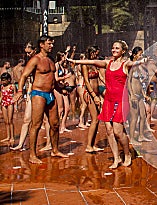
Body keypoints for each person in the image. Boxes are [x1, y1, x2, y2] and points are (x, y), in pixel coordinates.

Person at [68, 40, 147, 169]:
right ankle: (116, 159)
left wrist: (141, 61)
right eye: (113, 48)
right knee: (109, 131)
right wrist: (76, 61)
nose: (114, 50)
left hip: (121, 100)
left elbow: (134, 63)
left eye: (117, 48)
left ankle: (127, 154)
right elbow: (91, 62)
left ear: (123, 51)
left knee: (117, 131)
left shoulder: (125, 64)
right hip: (108, 100)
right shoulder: (107, 63)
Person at [13, 35, 68, 164]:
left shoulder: (50, 60)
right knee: (36, 125)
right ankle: (32, 154)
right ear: (41, 45)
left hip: (50, 94)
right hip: (38, 94)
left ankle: (55, 150)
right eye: (49, 43)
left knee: (55, 124)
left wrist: (61, 88)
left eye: (52, 43)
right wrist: (20, 91)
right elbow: (24, 76)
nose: (52, 46)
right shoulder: (35, 60)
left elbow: (52, 80)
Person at [81, 46, 105, 152]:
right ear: (92, 52)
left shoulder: (94, 64)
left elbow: (101, 77)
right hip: (89, 94)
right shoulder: (85, 64)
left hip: (96, 93)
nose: (97, 55)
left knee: (97, 119)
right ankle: (89, 146)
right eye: (96, 53)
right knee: (95, 119)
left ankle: (92, 144)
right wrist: (94, 96)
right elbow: (86, 81)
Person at [0, 73, 15, 145]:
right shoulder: (2, 87)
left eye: (4, 80)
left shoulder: (12, 86)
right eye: (2, 80)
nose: (3, 82)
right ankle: (8, 136)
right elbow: (1, 96)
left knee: (10, 120)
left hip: (10, 103)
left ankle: (12, 137)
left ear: (9, 80)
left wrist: (16, 106)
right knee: (6, 121)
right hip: (3, 103)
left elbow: (15, 96)